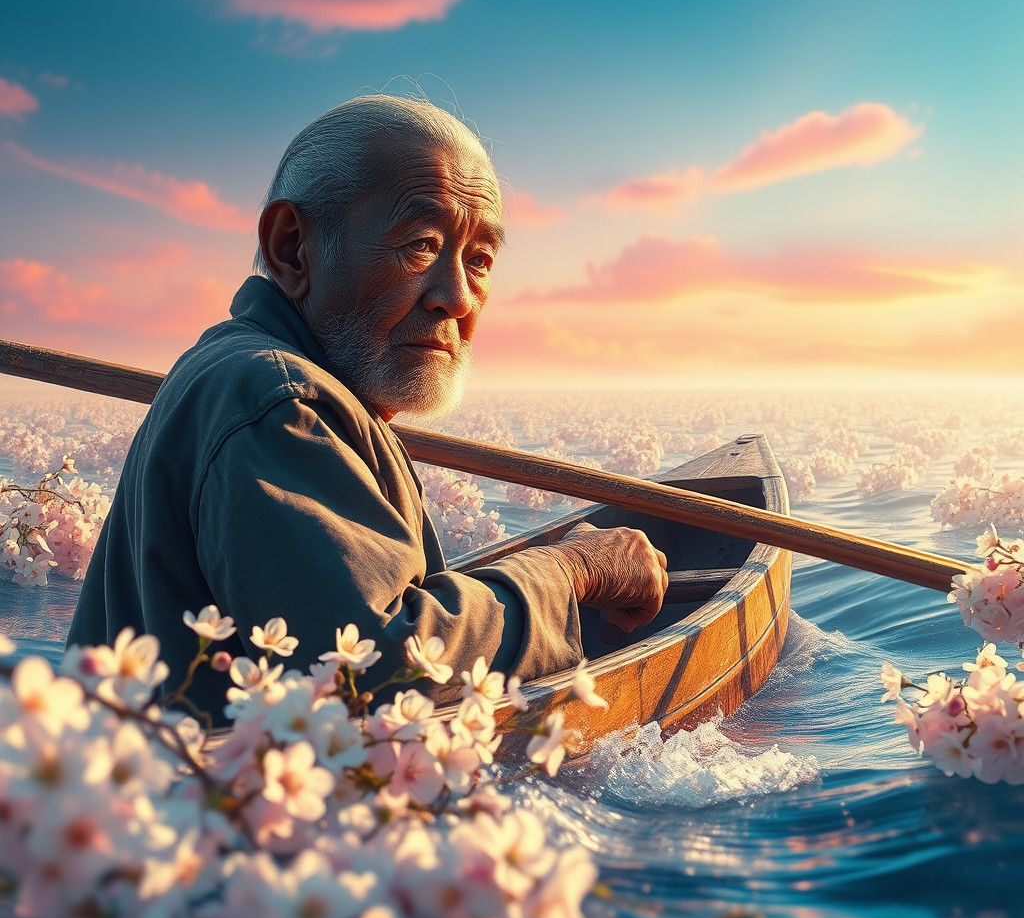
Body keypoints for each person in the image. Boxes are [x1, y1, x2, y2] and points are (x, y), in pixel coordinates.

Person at [67, 96, 668, 721]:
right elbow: (374, 675)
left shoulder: (273, 382)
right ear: (293, 249)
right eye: (421, 244)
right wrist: (573, 573)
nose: (458, 298)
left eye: (481, 259)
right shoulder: (275, 402)